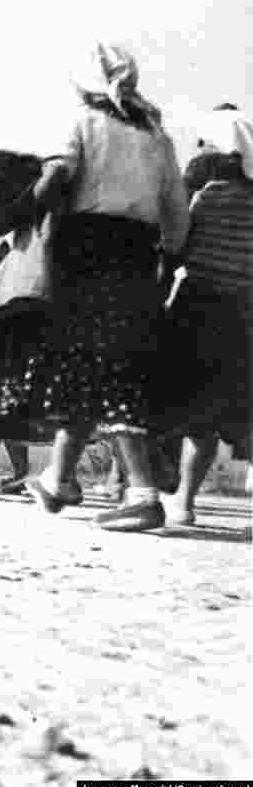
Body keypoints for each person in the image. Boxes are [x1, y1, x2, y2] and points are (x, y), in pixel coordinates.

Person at [24, 43, 190, 531]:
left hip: (88, 251)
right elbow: (176, 214)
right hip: (141, 254)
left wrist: (29, 206)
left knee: (104, 366)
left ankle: (142, 492)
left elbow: (58, 175)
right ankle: (58, 479)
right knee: (97, 363)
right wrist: (167, 260)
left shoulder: (81, 123)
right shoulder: (157, 135)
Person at [157, 108, 253, 524]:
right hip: (246, 310)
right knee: (239, 412)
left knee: (196, 415)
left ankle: (185, 501)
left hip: (199, 306)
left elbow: (174, 247)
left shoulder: (203, 194)